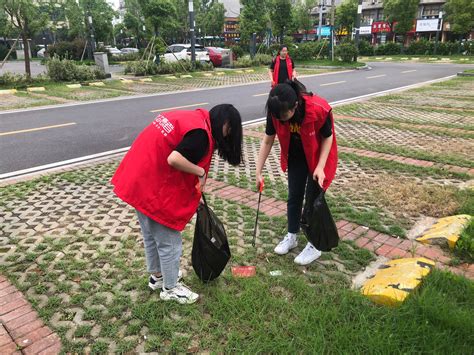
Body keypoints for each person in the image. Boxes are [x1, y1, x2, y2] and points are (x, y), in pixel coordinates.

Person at [111, 104, 243, 304]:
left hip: (138, 176)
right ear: (224, 123)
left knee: (151, 235)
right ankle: (171, 288)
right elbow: (174, 159)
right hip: (150, 183)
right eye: (229, 130)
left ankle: (158, 277)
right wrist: (200, 172)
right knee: (169, 241)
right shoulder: (200, 134)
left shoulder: (192, 118)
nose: (227, 135)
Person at [255, 80, 337, 265]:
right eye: (278, 117)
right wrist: (258, 171)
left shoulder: (318, 108)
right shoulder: (276, 112)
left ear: (296, 106)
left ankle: (315, 245)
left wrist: (320, 167)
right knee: (294, 196)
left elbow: (328, 137)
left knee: (313, 200)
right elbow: (268, 140)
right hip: (297, 157)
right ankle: (292, 235)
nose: (282, 120)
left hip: (318, 156)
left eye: (285, 116)